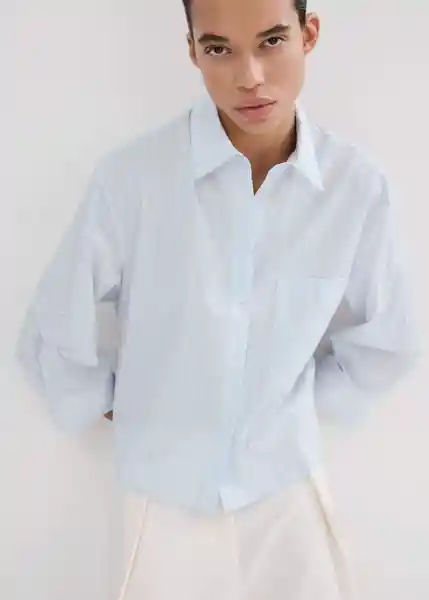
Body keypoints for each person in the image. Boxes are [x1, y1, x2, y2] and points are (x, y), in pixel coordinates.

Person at [15, 0, 421, 598]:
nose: (249, 76)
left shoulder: (355, 187)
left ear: (308, 34)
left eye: (271, 41)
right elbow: (55, 330)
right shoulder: (133, 179)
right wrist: (126, 409)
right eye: (218, 49)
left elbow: (390, 339)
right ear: (192, 50)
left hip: (286, 494)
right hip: (162, 502)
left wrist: (293, 408)